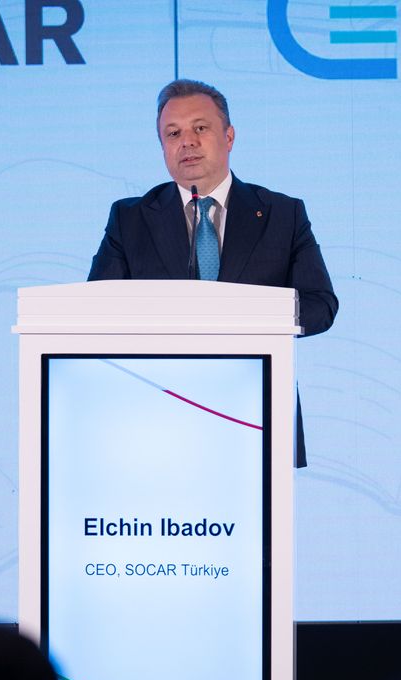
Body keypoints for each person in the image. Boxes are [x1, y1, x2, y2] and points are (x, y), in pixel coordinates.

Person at [88, 79, 338, 467]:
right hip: (155, 415)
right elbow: (95, 312)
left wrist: (243, 314)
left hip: (256, 409)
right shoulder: (130, 218)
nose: (187, 142)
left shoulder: (282, 214)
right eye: (173, 133)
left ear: (229, 136)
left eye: (200, 128)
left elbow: (320, 306)